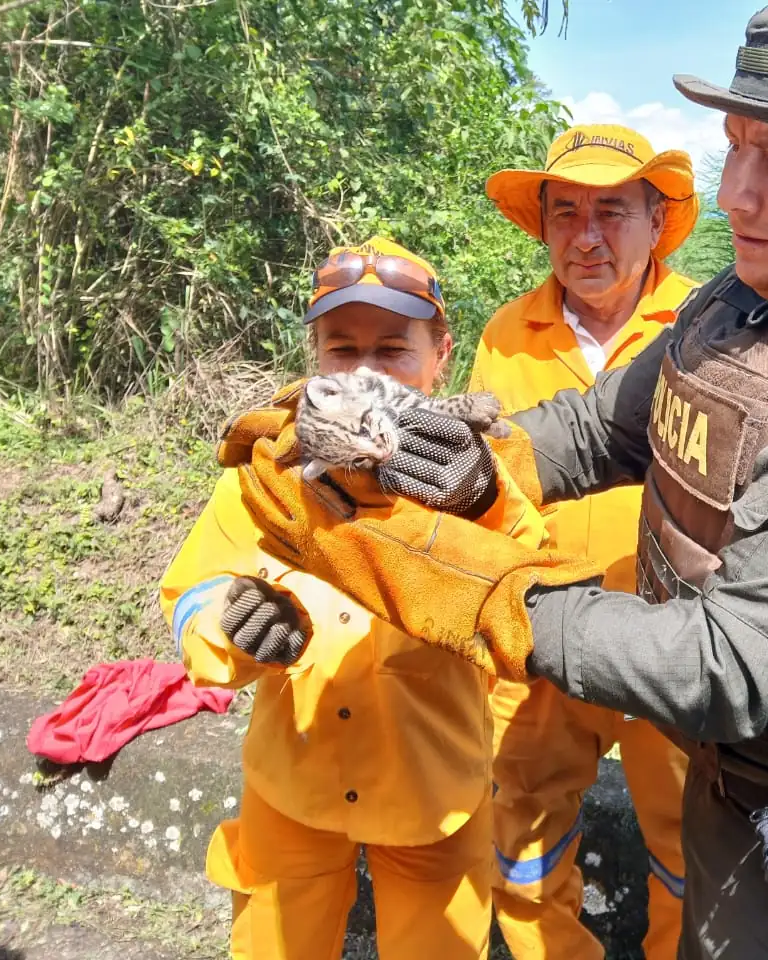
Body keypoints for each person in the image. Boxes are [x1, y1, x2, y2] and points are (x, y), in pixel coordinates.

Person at [228, 0, 768, 957]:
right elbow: (595, 426)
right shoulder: (746, 306)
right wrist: (434, 456)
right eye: (736, 149)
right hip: (728, 789)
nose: (737, 195)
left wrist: (466, 589)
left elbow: (728, 661)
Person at [158, 238, 555, 960]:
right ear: (316, 356)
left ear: (441, 353)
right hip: (294, 780)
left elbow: (539, 589)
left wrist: (481, 502)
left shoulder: (479, 471)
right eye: (343, 348)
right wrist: (232, 624)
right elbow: (193, 591)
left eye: (393, 349)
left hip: (437, 791)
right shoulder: (270, 470)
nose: (366, 371)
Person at [471, 123, 698, 960]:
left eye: (612, 210)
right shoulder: (507, 333)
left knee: (691, 841)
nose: (587, 235)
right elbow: (487, 487)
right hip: (541, 633)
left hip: (670, 637)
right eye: (565, 212)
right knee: (522, 826)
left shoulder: (706, 327)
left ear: (655, 220)